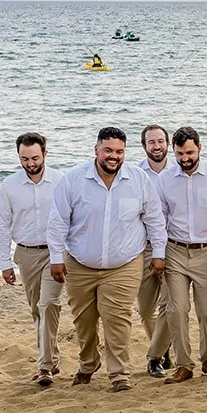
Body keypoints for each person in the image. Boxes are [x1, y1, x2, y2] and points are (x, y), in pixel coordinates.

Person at [47, 126, 167, 393]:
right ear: (96, 150)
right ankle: (88, 363)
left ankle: (119, 373)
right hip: (79, 264)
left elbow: (155, 220)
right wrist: (56, 257)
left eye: (120, 151)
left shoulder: (138, 180)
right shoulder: (73, 180)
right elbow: (57, 222)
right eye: (108, 151)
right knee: (84, 319)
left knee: (117, 318)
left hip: (124, 264)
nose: (114, 156)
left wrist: (159, 253)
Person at [157, 126, 207, 384]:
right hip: (175, 251)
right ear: (174, 151)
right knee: (177, 310)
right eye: (179, 153)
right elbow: (159, 219)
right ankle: (183, 364)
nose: (185, 158)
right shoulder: (165, 180)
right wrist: (158, 254)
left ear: (199, 148)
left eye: (189, 152)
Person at [0, 132, 64, 387]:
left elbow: (73, 218)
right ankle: (53, 358)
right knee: (37, 310)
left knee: (48, 305)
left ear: (45, 153)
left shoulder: (60, 181)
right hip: (25, 253)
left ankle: (44, 366)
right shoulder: (10, 186)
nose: (30, 163)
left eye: (35, 157)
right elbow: (2, 225)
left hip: (55, 253)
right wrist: (5, 262)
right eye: (25, 159)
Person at [136, 123, 174, 377]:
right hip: (144, 248)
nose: (157, 146)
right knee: (145, 307)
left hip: (173, 246)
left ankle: (156, 355)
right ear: (144, 146)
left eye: (160, 141)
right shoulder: (134, 174)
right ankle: (162, 347)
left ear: (168, 144)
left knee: (170, 303)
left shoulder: (179, 170)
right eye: (151, 142)